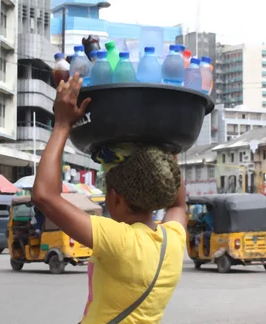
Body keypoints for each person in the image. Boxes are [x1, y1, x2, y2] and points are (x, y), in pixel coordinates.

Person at [32, 74, 187, 324]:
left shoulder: (120, 241)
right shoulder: (172, 240)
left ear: (116, 197)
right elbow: (178, 204)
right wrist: (164, 142)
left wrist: (62, 125)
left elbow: (44, 196)